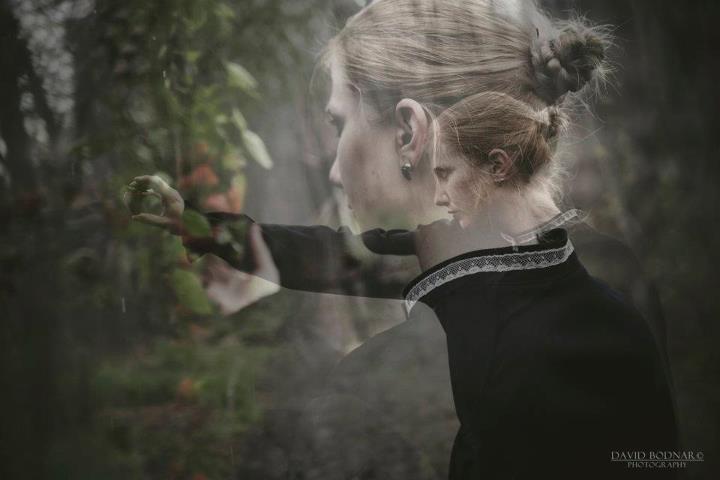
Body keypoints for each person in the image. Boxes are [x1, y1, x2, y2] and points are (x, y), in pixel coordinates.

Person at [126, 1, 678, 477]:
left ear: (409, 132)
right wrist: (204, 229)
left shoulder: (377, 394)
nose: (334, 171)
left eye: (339, 124)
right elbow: (348, 257)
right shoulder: (611, 267)